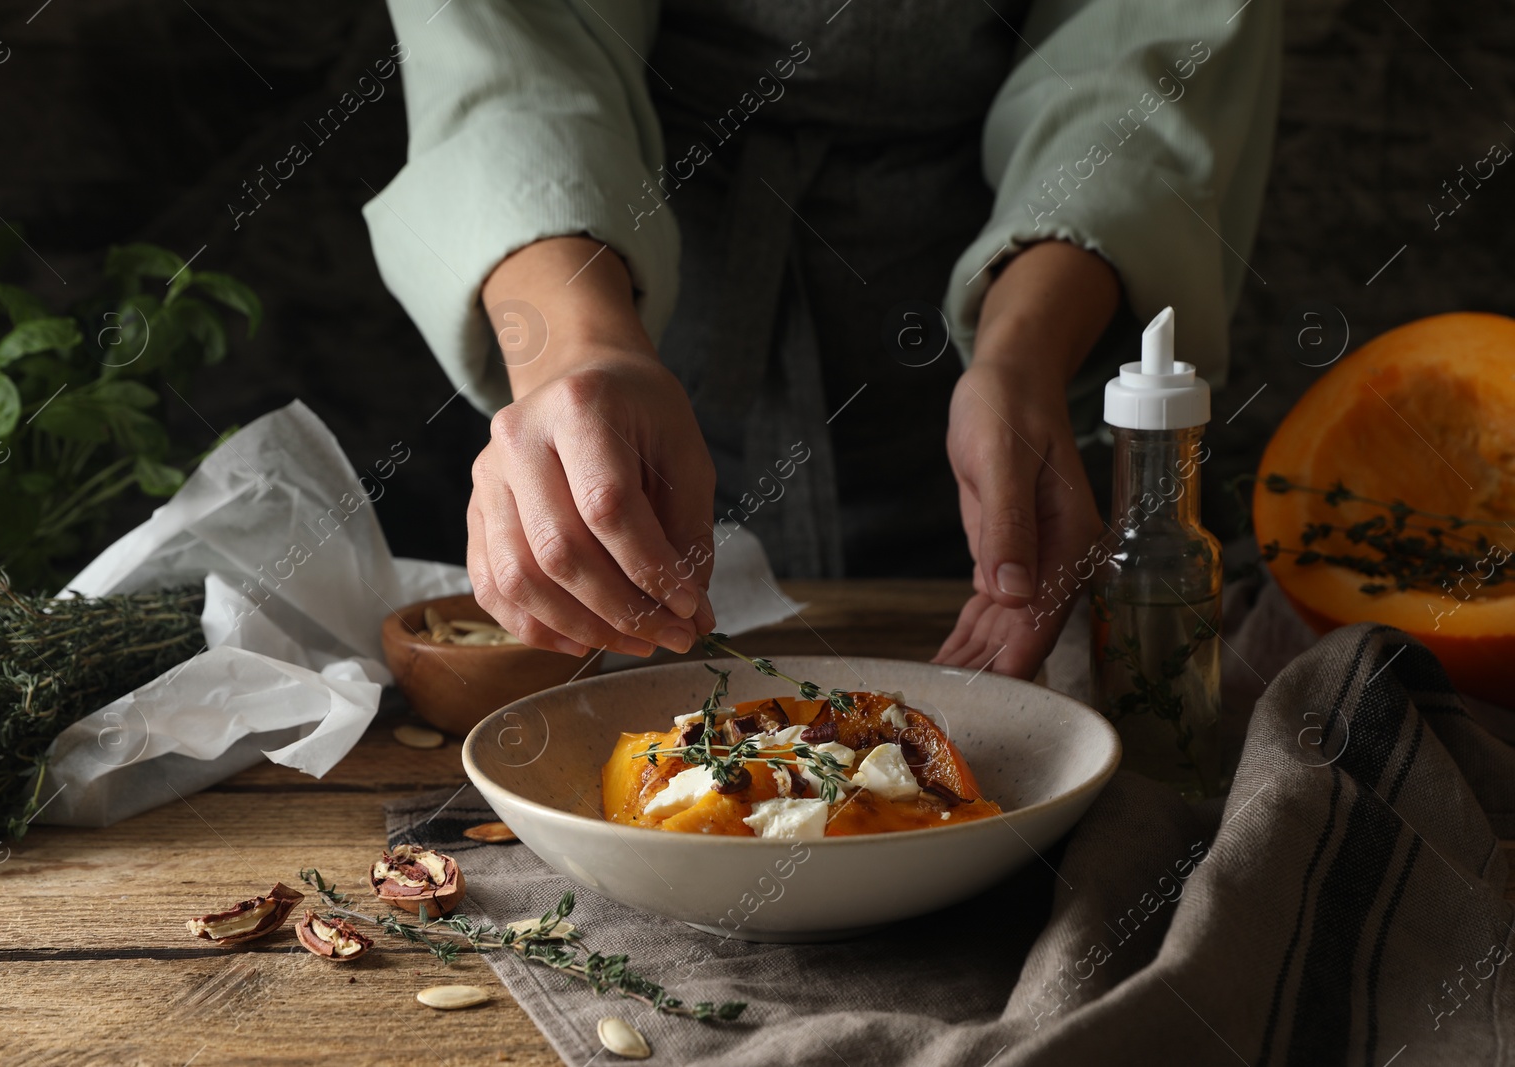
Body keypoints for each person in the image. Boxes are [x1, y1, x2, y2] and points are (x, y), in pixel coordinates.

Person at [364, 0, 1280, 680]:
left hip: (997, 294)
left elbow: (1145, 43)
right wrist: (578, 356)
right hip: (645, 276)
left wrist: (1022, 359)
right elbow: (512, 56)